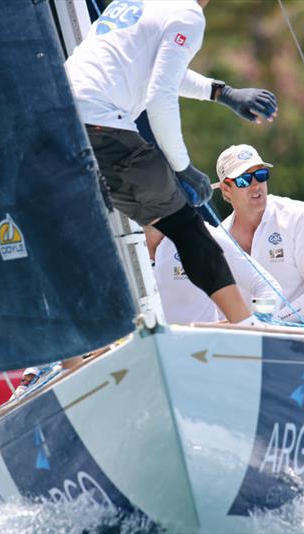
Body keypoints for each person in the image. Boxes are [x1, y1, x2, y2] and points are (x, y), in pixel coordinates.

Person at [65, 0, 278, 325]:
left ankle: (74, 357)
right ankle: (246, 324)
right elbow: (160, 95)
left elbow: (158, 70)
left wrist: (222, 93)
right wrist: (183, 168)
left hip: (58, 123)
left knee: (79, 235)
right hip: (102, 125)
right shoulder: (187, 13)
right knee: (186, 228)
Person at [213, 144, 304, 333]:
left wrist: (273, 322)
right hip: (272, 335)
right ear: (226, 189)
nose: (256, 185)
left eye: (261, 175)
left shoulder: (298, 216)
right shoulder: (219, 239)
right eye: (244, 180)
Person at [145, 225, 280, 324]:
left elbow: (268, 287)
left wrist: (258, 323)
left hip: (204, 355)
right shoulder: (125, 249)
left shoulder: (204, 236)